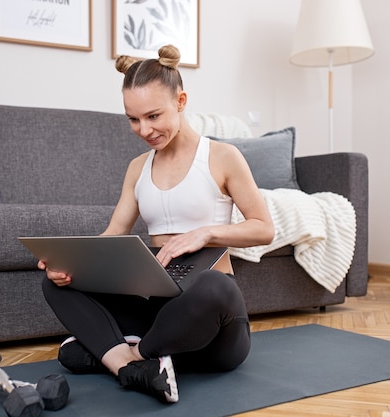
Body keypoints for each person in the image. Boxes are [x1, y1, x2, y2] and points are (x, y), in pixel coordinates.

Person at [39, 44, 274, 404]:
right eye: (133, 119)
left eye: (153, 116)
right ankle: (139, 365)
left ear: (181, 101)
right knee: (56, 285)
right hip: (155, 311)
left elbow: (263, 228)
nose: (144, 129)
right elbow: (113, 235)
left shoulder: (223, 157)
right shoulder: (137, 168)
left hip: (209, 320)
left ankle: (124, 355)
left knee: (215, 287)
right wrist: (69, 262)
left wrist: (206, 232)